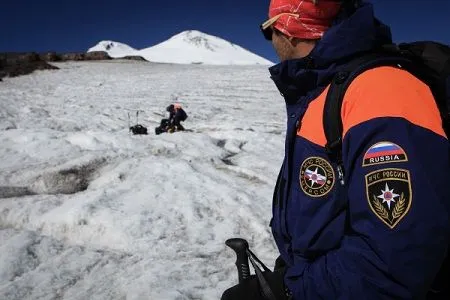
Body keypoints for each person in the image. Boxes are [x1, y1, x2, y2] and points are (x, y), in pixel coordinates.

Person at [221, 0, 450, 299]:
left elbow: (398, 253)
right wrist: (293, 267)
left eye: (268, 31)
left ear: (288, 30)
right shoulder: (322, 92)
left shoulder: (379, 89)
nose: (271, 40)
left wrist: (291, 291)